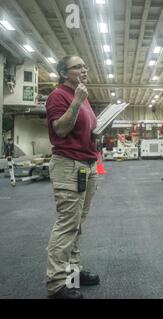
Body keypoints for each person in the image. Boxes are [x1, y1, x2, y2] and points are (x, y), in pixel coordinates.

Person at [45, 55, 100, 299]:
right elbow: (60, 129)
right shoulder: (60, 95)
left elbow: (83, 131)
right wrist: (77, 102)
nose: (84, 70)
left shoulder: (83, 95)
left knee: (78, 224)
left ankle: (72, 273)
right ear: (64, 72)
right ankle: (57, 284)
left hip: (87, 165)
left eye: (85, 66)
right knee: (67, 223)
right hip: (69, 164)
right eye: (78, 67)